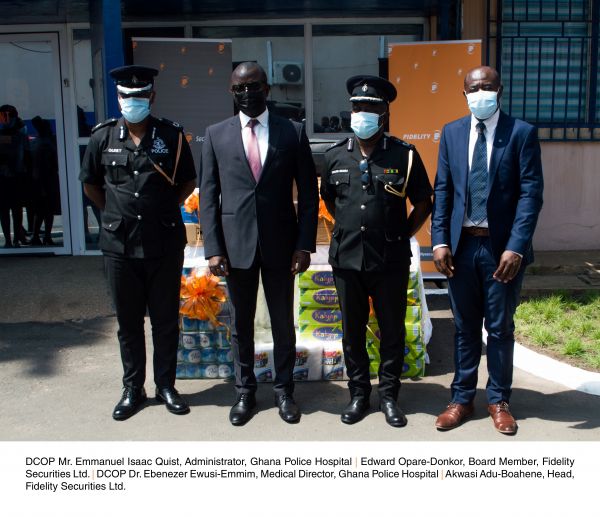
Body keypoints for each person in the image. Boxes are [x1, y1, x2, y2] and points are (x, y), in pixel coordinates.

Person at [200, 62, 319, 426]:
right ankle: (245, 392)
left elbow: (309, 194)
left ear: (267, 88)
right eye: (239, 88)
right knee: (241, 325)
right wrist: (213, 248)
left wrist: (304, 244)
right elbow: (208, 196)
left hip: (281, 245)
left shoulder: (292, 132)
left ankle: (284, 391)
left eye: (253, 86)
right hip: (235, 247)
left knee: (283, 322)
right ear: (231, 92)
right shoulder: (216, 135)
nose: (247, 93)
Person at [80, 65, 197, 421]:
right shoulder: (102, 137)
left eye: (141, 96)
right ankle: (133, 388)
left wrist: (161, 208)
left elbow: (187, 182)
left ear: (152, 97)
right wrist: (115, 213)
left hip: (163, 242)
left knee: (165, 320)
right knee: (128, 323)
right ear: (118, 99)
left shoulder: (172, 136)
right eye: (127, 96)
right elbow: (91, 184)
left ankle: (165, 385)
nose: (134, 102)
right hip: (119, 246)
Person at [431, 65, 543, 435]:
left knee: (499, 328)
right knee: (464, 327)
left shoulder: (521, 133)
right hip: (461, 247)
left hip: (502, 251)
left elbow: (530, 194)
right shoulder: (452, 132)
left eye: (487, 86)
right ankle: (462, 399)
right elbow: (443, 189)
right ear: (464, 94)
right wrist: (440, 240)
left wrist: (517, 247)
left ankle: (498, 400)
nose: (480, 93)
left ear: (499, 90)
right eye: (473, 88)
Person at [320, 75, 433, 427]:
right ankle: (358, 395)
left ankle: (388, 396)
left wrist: (402, 233)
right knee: (352, 332)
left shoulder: (404, 155)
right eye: (357, 107)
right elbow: (329, 200)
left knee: (392, 331)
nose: (362, 113)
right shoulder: (334, 155)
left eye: (370, 108)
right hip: (347, 259)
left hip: (390, 259)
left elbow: (424, 202)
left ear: (384, 114)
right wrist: (350, 228)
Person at [0, 104, 30, 248]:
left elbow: (26, 155)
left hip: (16, 176)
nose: (3, 120)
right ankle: (11, 239)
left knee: (14, 210)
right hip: (6, 177)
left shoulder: (20, 134)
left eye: (5, 117)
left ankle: (16, 238)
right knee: (7, 210)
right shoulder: (18, 134)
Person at [30, 116, 61, 246]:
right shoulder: (46, 144)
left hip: (43, 180)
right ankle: (42, 235)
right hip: (46, 180)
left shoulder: (36, 143)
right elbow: (42, 165)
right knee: (46, 211)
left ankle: (38, 235)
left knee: (42, 211)